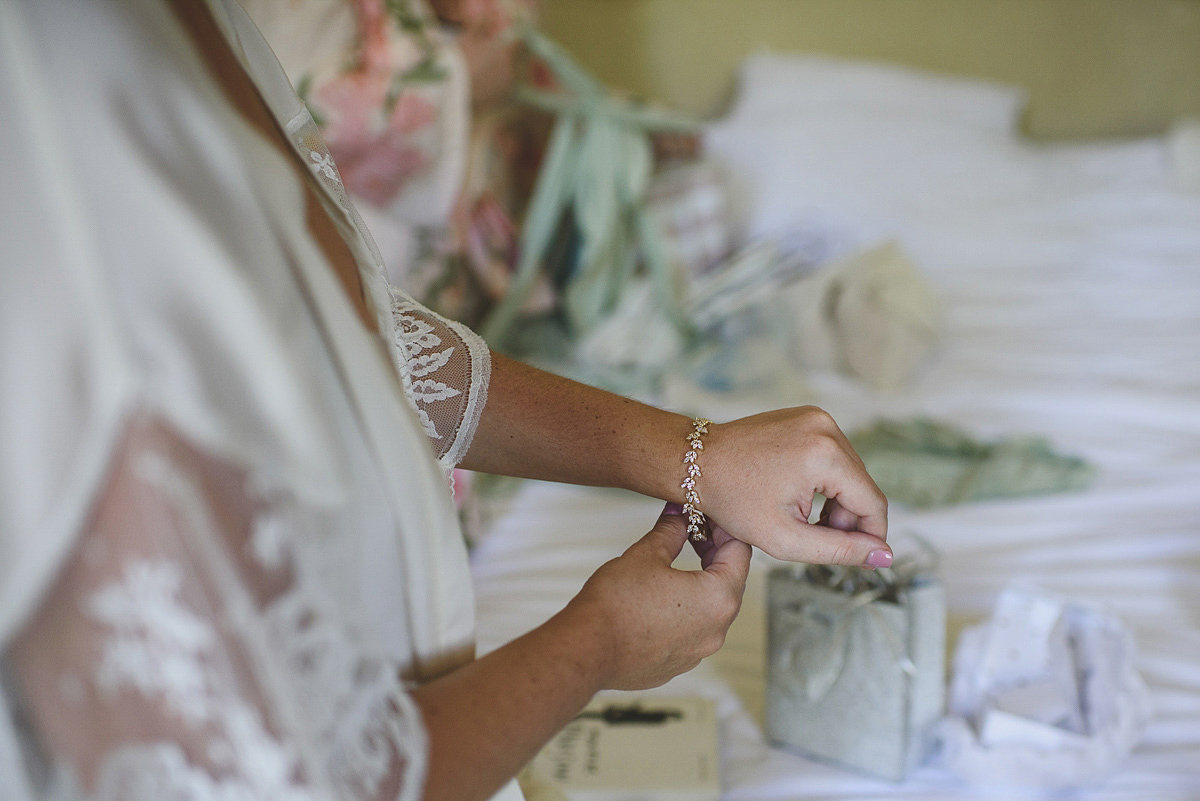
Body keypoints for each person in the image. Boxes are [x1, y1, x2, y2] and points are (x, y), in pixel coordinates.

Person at [0, 1, 889, 800]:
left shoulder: (191, 20)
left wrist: (694, 452)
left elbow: (351, 336)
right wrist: (594, 645)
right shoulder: (64, 142)